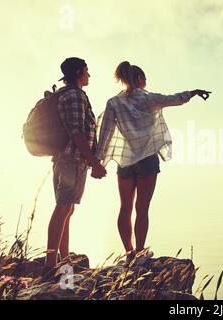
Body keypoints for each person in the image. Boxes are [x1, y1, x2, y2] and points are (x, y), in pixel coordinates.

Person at [96, 61, 211, 266]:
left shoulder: (113, 103)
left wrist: (98, 161)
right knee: (142, 208)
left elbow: (105, 133)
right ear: (139, 79)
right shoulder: (149, 99)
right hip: (147, 159)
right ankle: (140, 253)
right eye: (144, 79)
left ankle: (129, 252)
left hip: (125, 161)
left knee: (125, 207)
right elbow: (175, 99)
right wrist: (194, 92)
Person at [44, 57, 107, 273]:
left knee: (67, 208)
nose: (89, 75)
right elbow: (77, 132)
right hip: (72, 160)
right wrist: (94, 162)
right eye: (87, 71)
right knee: (63, 208)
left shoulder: (65, 94)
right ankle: (51, 264)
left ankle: (64, 257)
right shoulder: (75, 95)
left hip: (65, 159)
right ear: (79, 72)